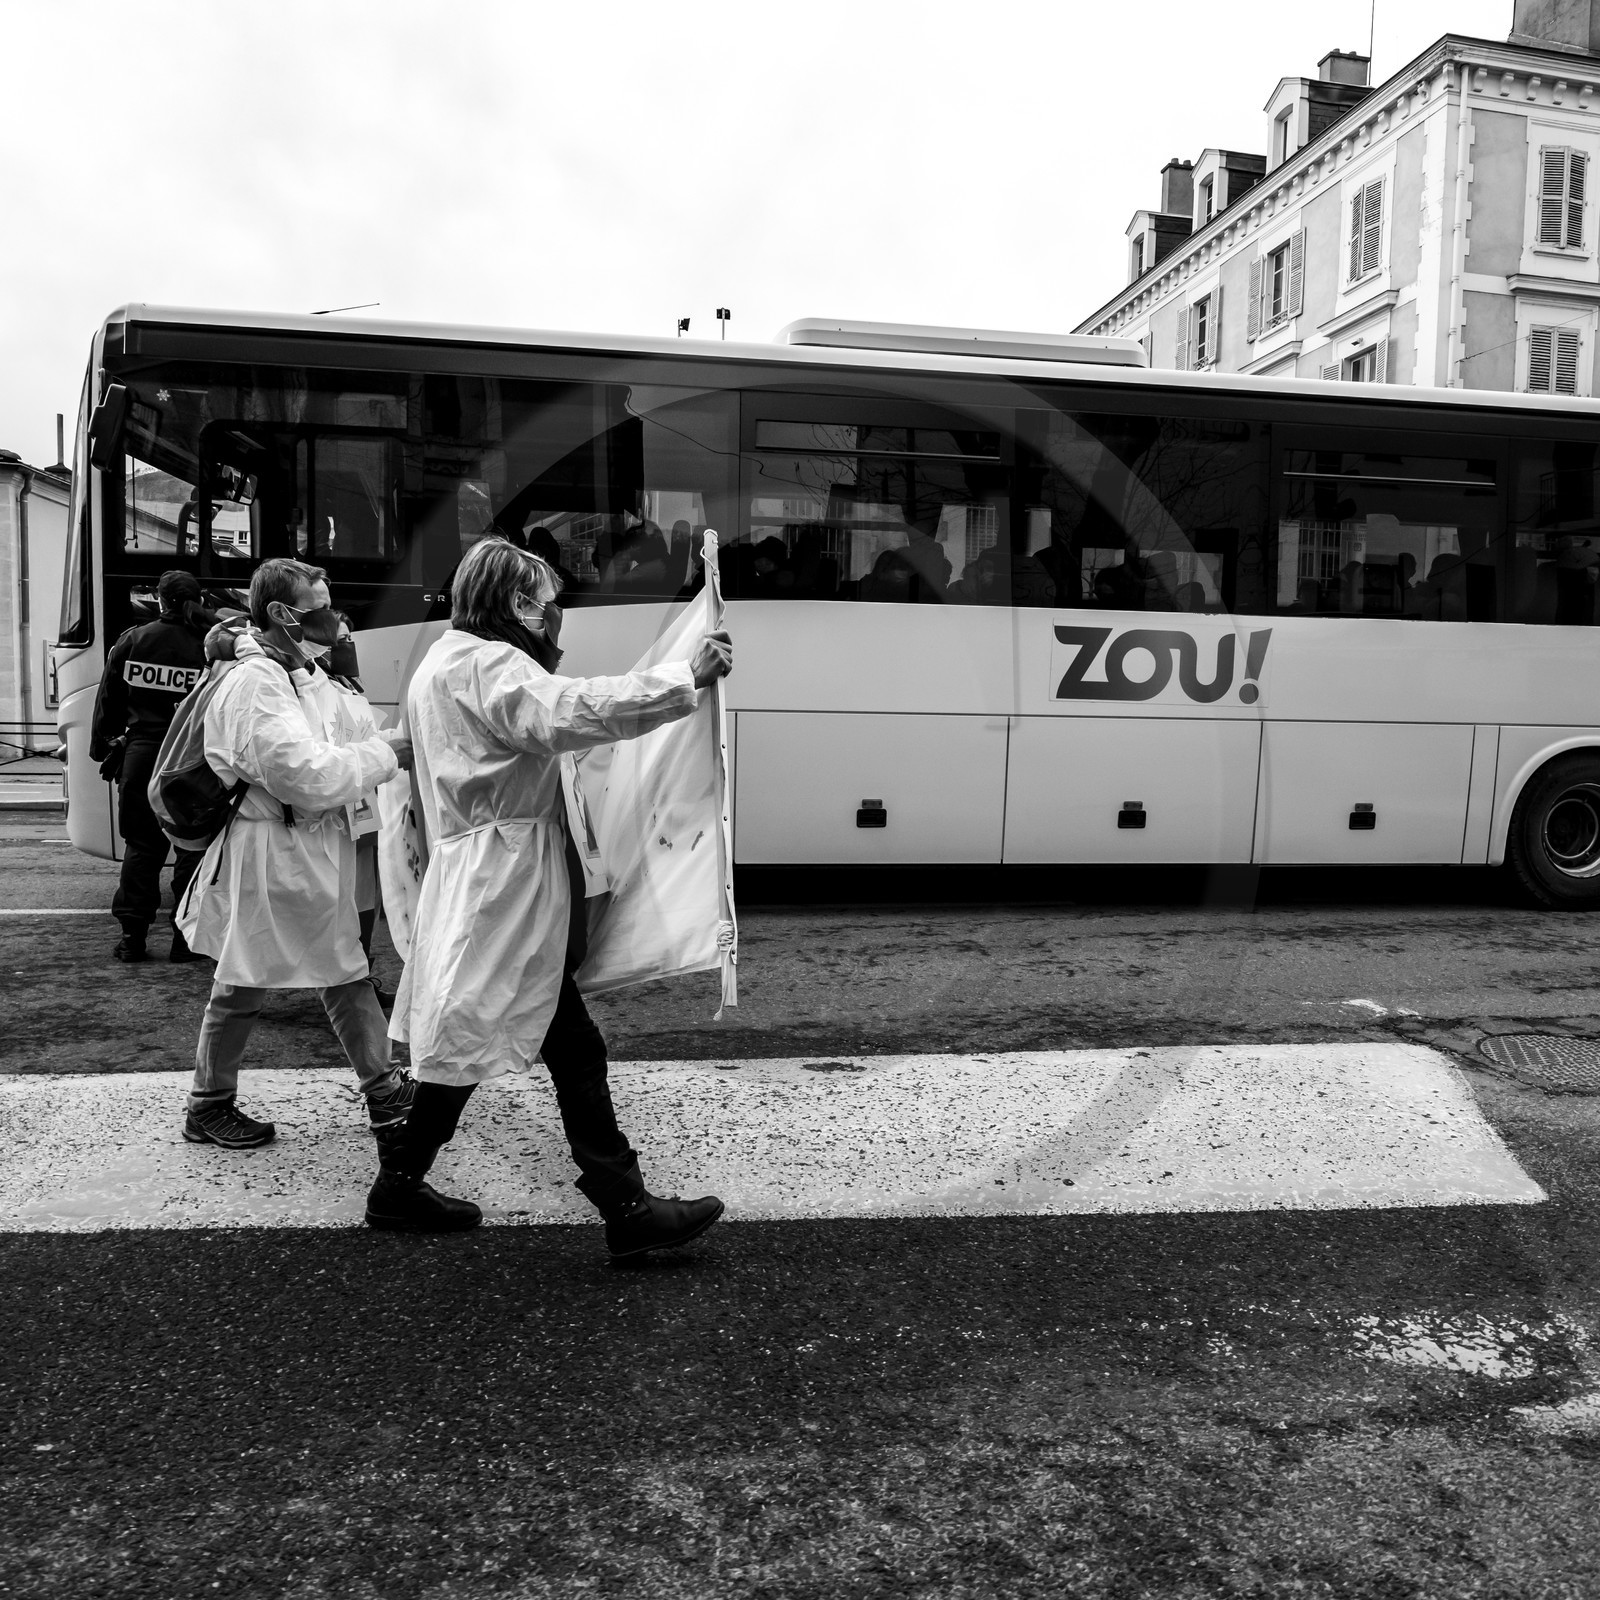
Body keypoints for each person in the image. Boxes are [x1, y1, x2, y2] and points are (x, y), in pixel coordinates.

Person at [367, 536, 734, 1255]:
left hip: (480, 875)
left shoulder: (440, 662)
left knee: (478, 1040)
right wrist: (682, 678)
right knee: (559, 1045)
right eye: (545, 602)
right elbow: (567, 710)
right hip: (505, 881)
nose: (552, 615)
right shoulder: (491, 664)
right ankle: (625, 1208)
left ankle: (400, 1186)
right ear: (514, 602)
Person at [176, 559, 415, 1150]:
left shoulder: (298, 672)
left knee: (324, 968)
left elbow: (341, 741)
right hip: (275, 852)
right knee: (262, 975)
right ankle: (213, 1105)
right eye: (321, 600)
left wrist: (385, 743)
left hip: (302, 849)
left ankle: (379, 1090)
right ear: (284, 612)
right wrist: (388, 757)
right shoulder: (256, 683)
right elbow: (302, 774)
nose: (333, 611)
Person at [88, 569, 214, 963]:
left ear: (159, 600)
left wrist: (103, 748)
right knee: (192, 848)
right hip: (193, 760)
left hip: (143, 757)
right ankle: (184, 940)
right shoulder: (211, 646)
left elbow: (107, 706)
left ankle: (132, 938)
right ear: (199, 600)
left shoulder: (133, 640)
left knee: (142, 847)